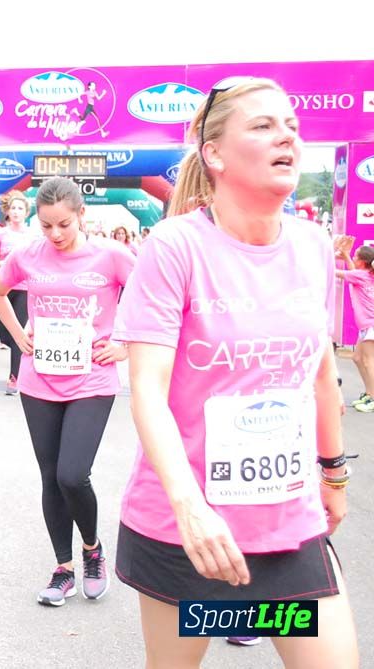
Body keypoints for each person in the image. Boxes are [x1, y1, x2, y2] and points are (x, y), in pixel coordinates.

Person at [113, 78, 357, 667]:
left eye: (292, 126)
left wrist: (332, 473)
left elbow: (321, 373)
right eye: (263, 126)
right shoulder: (175, 246)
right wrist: (190, 508)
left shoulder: (313, 246)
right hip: (189, 535)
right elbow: (147, 388)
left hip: (287, 530)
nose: (286, 138)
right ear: (215, 154)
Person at [0, 177, 133, 608]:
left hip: (92, 378)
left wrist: (124, 344)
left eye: (64, 225)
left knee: (73, 474)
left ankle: (92, 549)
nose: (55, 234)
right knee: (51, 476)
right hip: (40, 379)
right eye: (46, 225)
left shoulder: (111, 255)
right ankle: (63, 568)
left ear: (81, 215)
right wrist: (18, 335)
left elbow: (150, 297)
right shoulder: (27, 255)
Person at [0, 190, 39, 395]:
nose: (16, 212)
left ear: (26, 212)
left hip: (25, 288)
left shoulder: (32, 235)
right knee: (6, 335)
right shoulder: (0, 234)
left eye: (20, 208)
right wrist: (6, 263)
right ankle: (10, 344)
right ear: (7, 212)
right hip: (3, 287)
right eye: (13, 208)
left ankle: (14, 378)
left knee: (18, 332)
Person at [333, 237, 374, 412]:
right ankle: (369, 393)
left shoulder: (361, 275)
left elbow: (333, 271)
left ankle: (373, 398)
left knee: (369, 361)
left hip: (370, 325)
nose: (353, 258)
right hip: (366, 326)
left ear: (362, 262)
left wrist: (335, 254)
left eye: (355, 256)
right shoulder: (364, 274)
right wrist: (345, 256)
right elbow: (353, 271)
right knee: (357, 358)